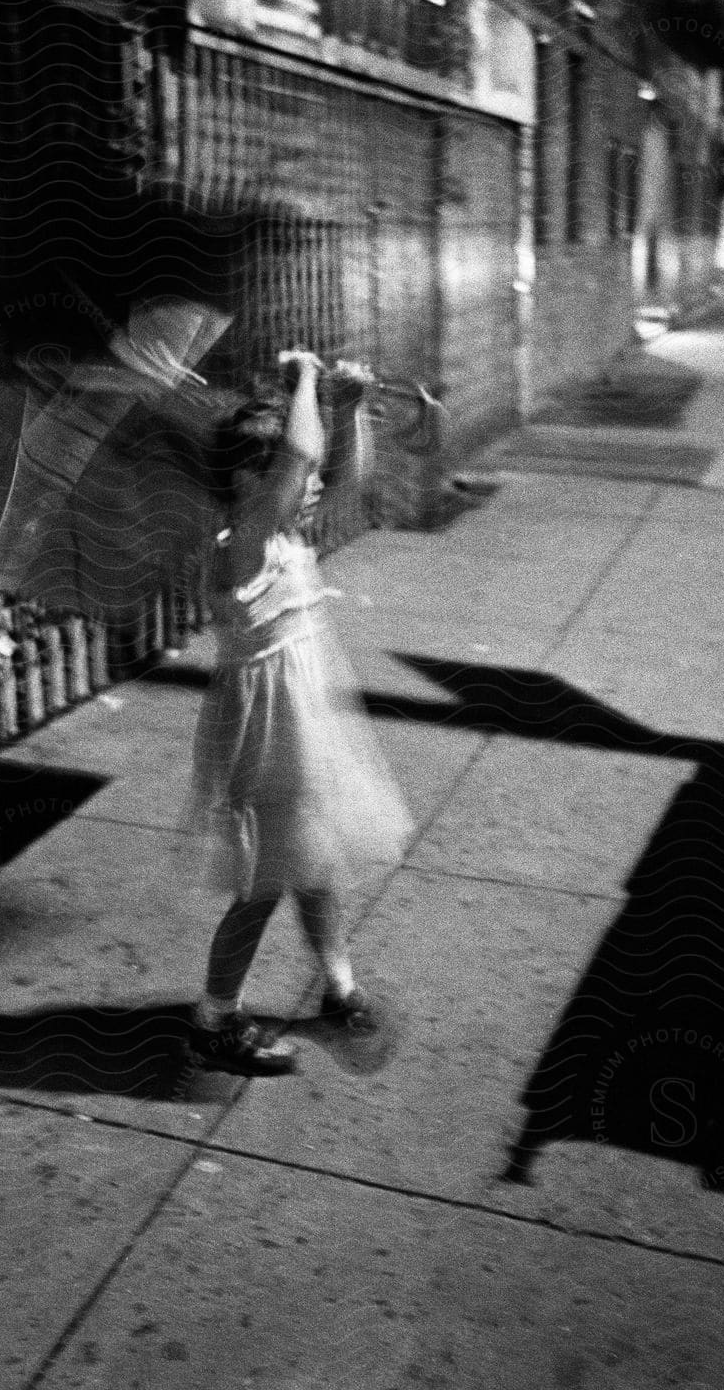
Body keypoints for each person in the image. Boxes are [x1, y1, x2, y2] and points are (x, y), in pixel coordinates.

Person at [186, 350, 412, 1073]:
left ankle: (339, 986)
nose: (310, 488)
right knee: (262, 885)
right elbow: (303, 455)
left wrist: (350, 407)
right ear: (251, 481)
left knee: (316, 862)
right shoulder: (241, 546)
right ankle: (215, 1018)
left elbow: (347, 474)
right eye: (293, 479)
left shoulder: (278, 537)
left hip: (303, 719)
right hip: (266, 733)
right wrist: (305, 379)